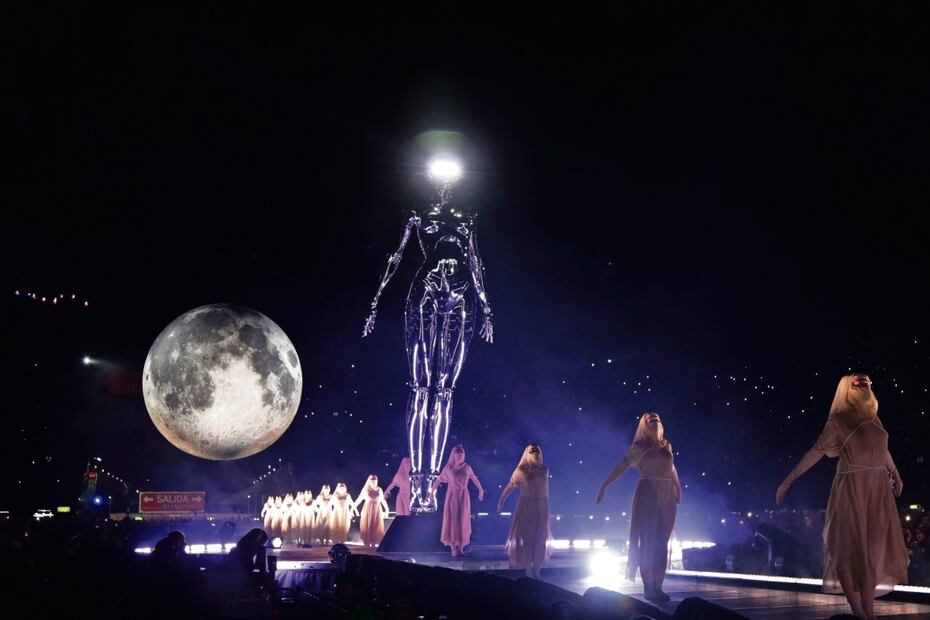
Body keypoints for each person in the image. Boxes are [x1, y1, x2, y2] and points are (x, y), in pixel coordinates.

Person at [777, 374, 908, 620]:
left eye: (867, 383)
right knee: (846, 549)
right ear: (848, 389)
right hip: (852, 489)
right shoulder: (838, 420)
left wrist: (896, 475)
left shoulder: (874, 419)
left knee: (871, 551)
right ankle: (858, 609)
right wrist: (789, 480)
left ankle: (868, 609)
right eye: (859, 384)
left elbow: (883, 448)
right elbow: (816, 451)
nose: (864, 387)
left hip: (877, 491)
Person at [597, 413, 682, 602]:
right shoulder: (639, 447)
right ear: (644, 424)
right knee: (648, 542)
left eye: (657, 418)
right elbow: (621, 467)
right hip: (648, 493)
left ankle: (658, 586)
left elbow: (672, 468)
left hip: (666, 494)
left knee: (662, 542)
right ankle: (648, 587)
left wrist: (678, 487)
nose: (654, 419)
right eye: (649, 418)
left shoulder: (666, 445)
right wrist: (604, 485)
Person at [498, 443, 553, 578]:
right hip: (527, 505)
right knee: (528, 539)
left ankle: (537, 569)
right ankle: (528, 568)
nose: (535, 452)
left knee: (540, 538)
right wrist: (502, 500)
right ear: (527, 453)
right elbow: (511, 485)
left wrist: (546, 507)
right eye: (532, 450)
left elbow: (546, 489)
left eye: (537, 450)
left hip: (542, 505)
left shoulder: (544, 470)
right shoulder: (521, 470)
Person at [431, 445, 484, 556]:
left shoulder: (467, 467)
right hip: (452, 496)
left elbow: (474, 478)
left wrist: (480, 490)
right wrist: (431, 492)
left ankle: (460, 548)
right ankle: (453, 549)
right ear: (453, 454)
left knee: (463, 520)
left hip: (464, 496)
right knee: (452, 519)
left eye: (461, 452)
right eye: (457, 452)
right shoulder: (448, 468)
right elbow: (439, 480)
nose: (459, 454)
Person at [355, 475, 390, 547]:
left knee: (375, 525)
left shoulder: (379, 489)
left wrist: (387, 509)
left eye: (375, 481)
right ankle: (367, 542)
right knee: (368, 525)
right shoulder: (366, 489)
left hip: (377, 510)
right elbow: (360, 499)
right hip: (368, 509)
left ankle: (374, 542)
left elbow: (382, 500)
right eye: (372, 481)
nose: (374, 482)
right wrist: (353, 507)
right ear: (369, 481)